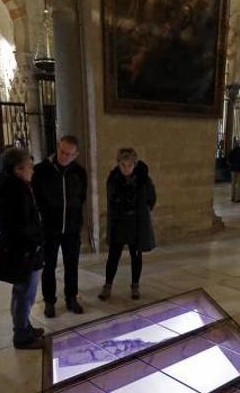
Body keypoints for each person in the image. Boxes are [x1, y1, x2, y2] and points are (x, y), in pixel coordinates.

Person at [0, 147, 44, 349]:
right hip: (25, 251)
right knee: (24, 294)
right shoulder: (15, 191)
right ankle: (22, 336)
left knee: (23, 292)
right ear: (18, 169)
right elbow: (19, 225)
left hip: (24, 249)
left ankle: (24, 326)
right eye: (30, 166)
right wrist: (39, 236)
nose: (33, 170)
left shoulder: (15, 187)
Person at [32, 134, 87, 317]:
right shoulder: (41, 170)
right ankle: (49, 301)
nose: (64, 156)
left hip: (71, 228)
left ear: (76, 154)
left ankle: (71, 298)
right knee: (49, 265)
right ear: (57, 147)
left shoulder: (79, 172)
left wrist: (77, 222)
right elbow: (37, 199)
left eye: (69, 154)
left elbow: (82, 198)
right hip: (49, 228)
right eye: (62, 151)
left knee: (72, 264)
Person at [98, 147, 156, 301]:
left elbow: (151, 198)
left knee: (136, 256)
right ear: (118, 164)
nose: (126, 168)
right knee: (113, 256)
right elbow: (111, 200)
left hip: (136, 223)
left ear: (135, 164)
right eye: (123, 165)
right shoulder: (113, 179)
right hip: (119, 222)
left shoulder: (143, 180)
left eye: (130, 165)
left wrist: (141, 211)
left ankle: (135, 285)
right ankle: (108, 285)